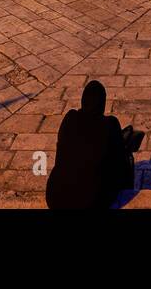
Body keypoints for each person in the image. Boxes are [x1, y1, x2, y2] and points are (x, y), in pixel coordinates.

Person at [45, 80, 141, 210]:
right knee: (122, 159)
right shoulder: (110, 124)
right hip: (91, 202)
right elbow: (119, 163)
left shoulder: (70, 118)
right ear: (102, 104)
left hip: (55, 199)